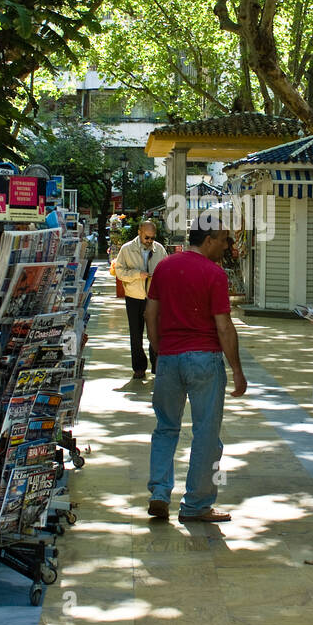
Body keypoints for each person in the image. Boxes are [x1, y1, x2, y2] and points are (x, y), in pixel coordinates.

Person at [144, 211, 247, 523]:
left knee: (165, 427)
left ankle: (159, 493)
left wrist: (159, 351)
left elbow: (150, 313)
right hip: (204, 359)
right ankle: (196, 505)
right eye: (225, 239)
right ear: (209, 239)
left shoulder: (164, 267)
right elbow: (224, 327)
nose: (228, 244)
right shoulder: (213, 274)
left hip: (170, 358)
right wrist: (237, 370)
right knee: (206, 434)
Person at [115, 218, 168, 377]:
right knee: (135, 334)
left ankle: (157, 364)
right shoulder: (127, 249)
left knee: (156, 332)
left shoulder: (159, 249)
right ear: (139, 233)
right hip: (134, 296)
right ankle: (138, 367)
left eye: (152, 237)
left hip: (154, 297)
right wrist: (137, 275)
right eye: (147, 237)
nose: (150, 241)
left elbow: (167, 270)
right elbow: (119, 271)